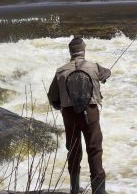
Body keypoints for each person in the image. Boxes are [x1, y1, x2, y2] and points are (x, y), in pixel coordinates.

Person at [47, 37, 111, 194]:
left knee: (74, 149)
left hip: (69, 113)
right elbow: (106, 73)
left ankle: (74, 189)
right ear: (84, 50)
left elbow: (52, 96)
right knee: (94, 148)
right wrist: (104, 75)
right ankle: (98, 190)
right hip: (90, 112)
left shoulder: (60, 71)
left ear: (70, 52)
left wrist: (60, 107)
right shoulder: (94, 67)